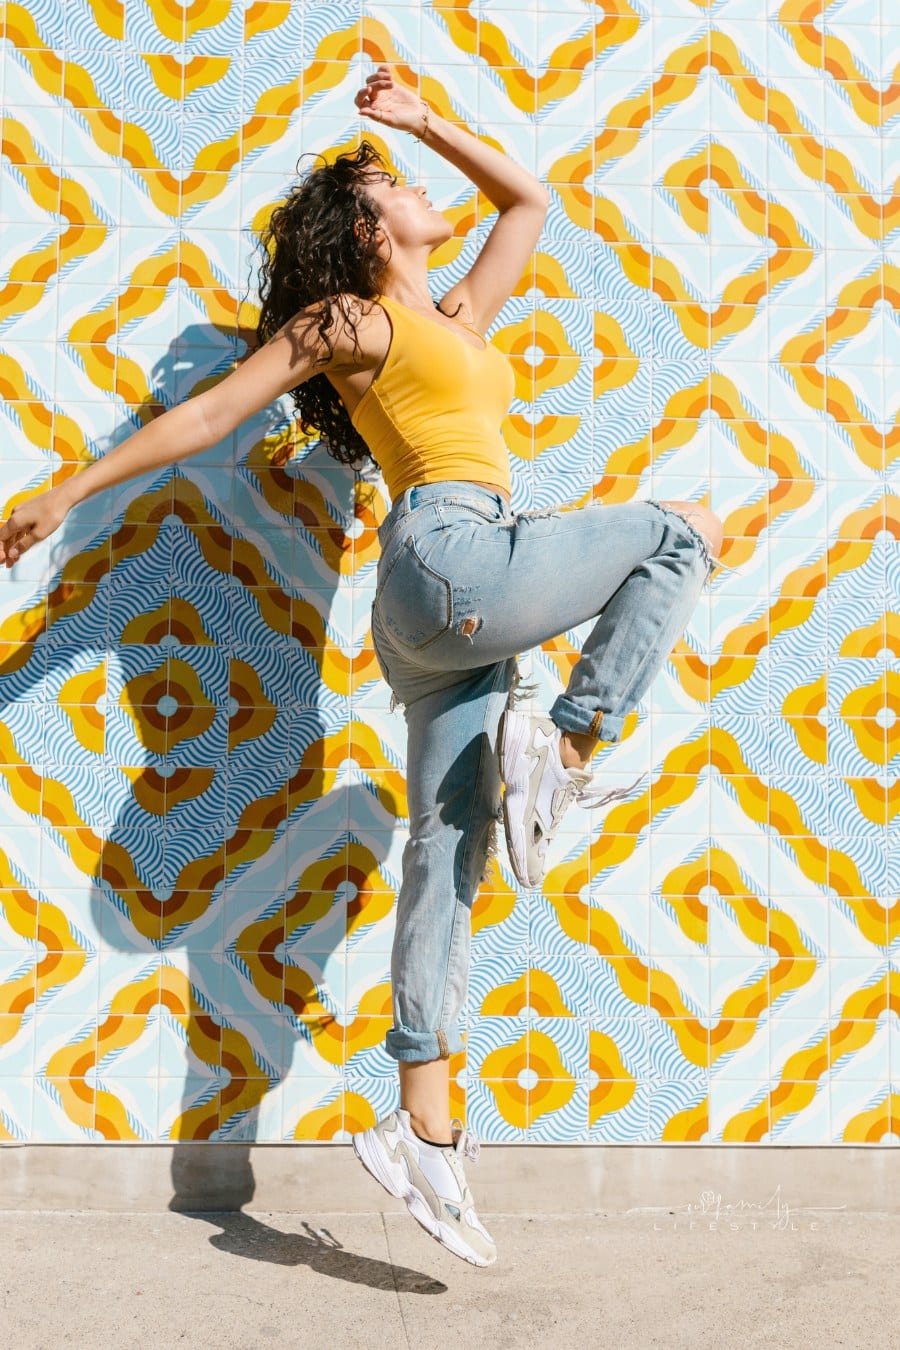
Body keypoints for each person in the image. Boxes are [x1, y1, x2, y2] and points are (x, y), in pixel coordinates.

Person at [0, 65, 729, 1268]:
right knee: (680, 528)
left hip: (443, 599)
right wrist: (68, 487)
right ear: (364, 225)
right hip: (450, 557)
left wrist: (425, 121)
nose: (418, 186)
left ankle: (425, 1126)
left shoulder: (452, 320)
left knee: (449, 847)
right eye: (397, 183)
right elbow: (211, 412)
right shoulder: (350, 321)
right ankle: (572, 745)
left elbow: (529, 205)